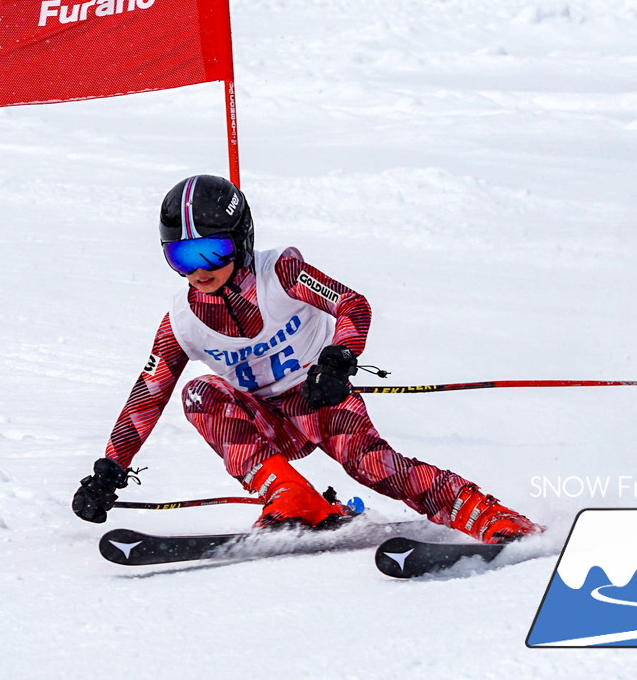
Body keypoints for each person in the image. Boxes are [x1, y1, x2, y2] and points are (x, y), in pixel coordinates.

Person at [72, 174, 541, 544]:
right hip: (264, 423)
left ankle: (487, 515)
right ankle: (292, 498)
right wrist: (110, 468)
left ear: (241, 240)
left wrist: (338, 361)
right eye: (180, 256)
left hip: (322, 399)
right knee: (199, 392)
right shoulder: (183, 320)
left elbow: (352, 305)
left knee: (372, 466)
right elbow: (148, 395)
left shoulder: (282, 272)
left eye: (211, 251)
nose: (198, 270)